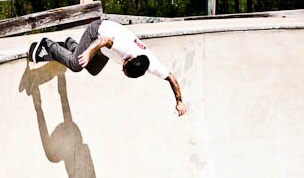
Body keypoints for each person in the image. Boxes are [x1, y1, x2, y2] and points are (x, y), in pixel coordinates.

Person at [28, 19, 187, 117]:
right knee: (77, 65)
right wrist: (89, 51)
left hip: (105, 49)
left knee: (93, 69)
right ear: (130, 58)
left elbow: (171, 78)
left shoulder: (153, 66)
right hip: (97, 33)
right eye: (124, 67)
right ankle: (47, 44)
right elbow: (105, 40)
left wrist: (179, 101)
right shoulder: (124, 49)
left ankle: (71, 45)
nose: (122, 69)